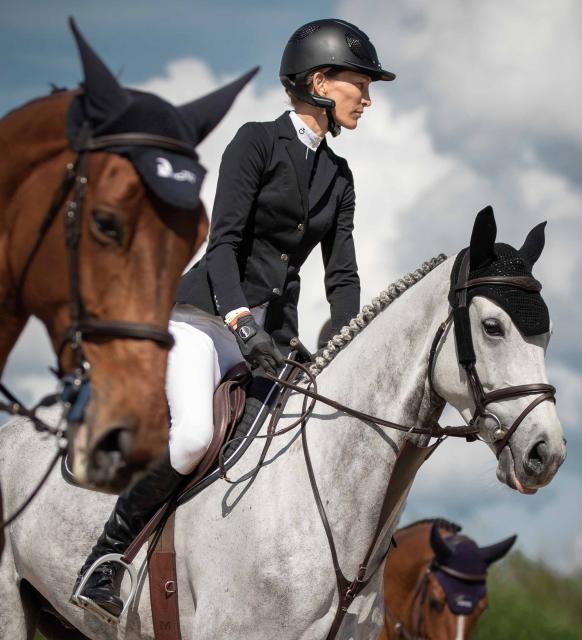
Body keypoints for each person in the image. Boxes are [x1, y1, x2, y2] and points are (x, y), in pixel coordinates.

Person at [73, 18, 395, 619]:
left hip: (273, 339)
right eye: (361, 83)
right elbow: (223, 244)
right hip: (206, 317)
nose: (369, 97)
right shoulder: (254, 142)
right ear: (321, 81)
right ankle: (107, 558)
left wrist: (347, 337)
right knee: (195, 434)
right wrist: (241, 319)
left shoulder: (340, 176)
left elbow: (341, 276)